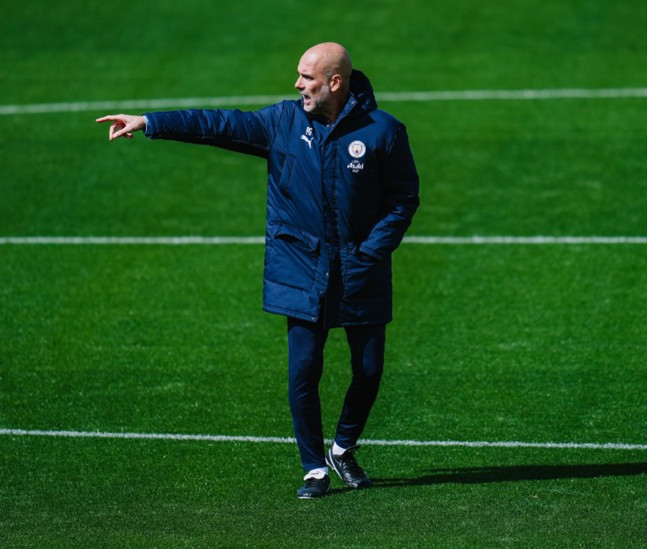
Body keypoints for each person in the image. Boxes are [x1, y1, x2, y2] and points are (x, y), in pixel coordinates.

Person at [96, 42, 420, 499]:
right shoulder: (282, 123)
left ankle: (342, 448)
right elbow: (219, 124)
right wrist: (150, 122)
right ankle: (314, 468)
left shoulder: (383, 131)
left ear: (335, 82)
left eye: (307, 77)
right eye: (298, 75)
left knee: (369, 369)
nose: (297, 84)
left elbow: (403, 198)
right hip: (301, 268)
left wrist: (370, 252)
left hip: (360, 270)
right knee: (304, 370)